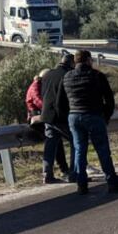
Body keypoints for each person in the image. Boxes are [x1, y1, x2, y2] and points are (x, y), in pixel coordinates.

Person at [59, 50, 118, 195]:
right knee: (103, 150)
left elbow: (60, 102)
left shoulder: (66, 77)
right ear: (88, 60)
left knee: (79, 150)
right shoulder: (97, 76)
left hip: (74, 116)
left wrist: (68, 116)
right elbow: (109, 100)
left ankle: (82, 184)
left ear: (75, 62)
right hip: (94, 115)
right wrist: (106, 116)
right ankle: (112, 182)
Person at [40, 54, 75, 184]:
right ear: (71, 63)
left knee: (50, 145)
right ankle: (74, 173)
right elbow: (67, 97)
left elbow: (43, 94)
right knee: (76, 142)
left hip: (47, 116)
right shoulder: (68, 75)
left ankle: (47, 175)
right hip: (61, 116)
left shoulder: (48, 74)